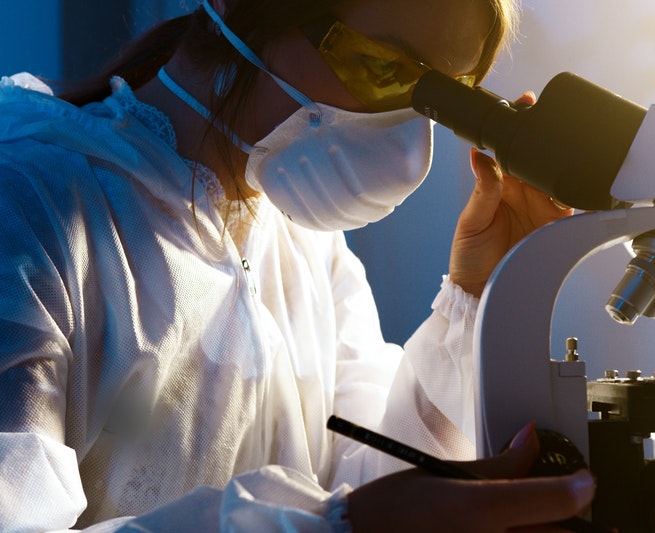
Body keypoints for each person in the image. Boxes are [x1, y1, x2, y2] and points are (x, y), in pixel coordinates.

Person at [0, 0, 593, 531]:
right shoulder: (29, 208)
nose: (412, 141)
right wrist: (334, 524)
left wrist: (472, 294)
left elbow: (379, 484)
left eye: (445, 97)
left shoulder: (305, 242)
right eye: (384, 68)